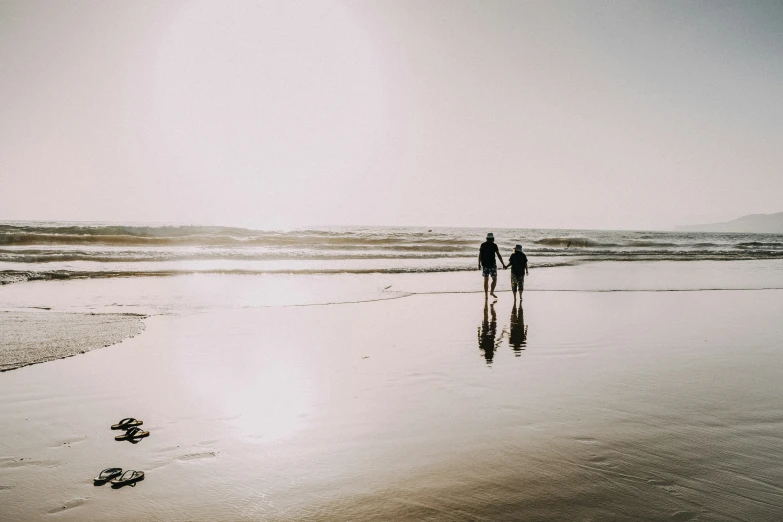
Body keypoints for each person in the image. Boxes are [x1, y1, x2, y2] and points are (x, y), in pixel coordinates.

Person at [478, 233, 506, 298]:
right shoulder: (494, 245)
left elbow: (480, 255)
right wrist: (503, 264)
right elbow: (499, 255)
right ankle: (491, 292)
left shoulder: (483, 245)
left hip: (484, 265)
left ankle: (486, 294)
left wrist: (479, 264)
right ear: (493, 239)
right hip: (492, 264)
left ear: (486, 238)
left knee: (486, 280)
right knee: (494, 279)